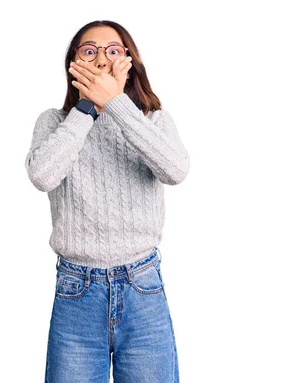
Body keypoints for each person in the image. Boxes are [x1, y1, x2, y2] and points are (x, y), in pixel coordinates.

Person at [24, 20, 189, 382]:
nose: (101, 59)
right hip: (76, 292)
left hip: (142, 287)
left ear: (129, 64)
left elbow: (175, 171)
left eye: (113, 51)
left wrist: (115, 103)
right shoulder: (54, 122)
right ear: (74, 64)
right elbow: (42, 176)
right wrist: (87, 108)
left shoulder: (153, 121)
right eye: (89, 51)